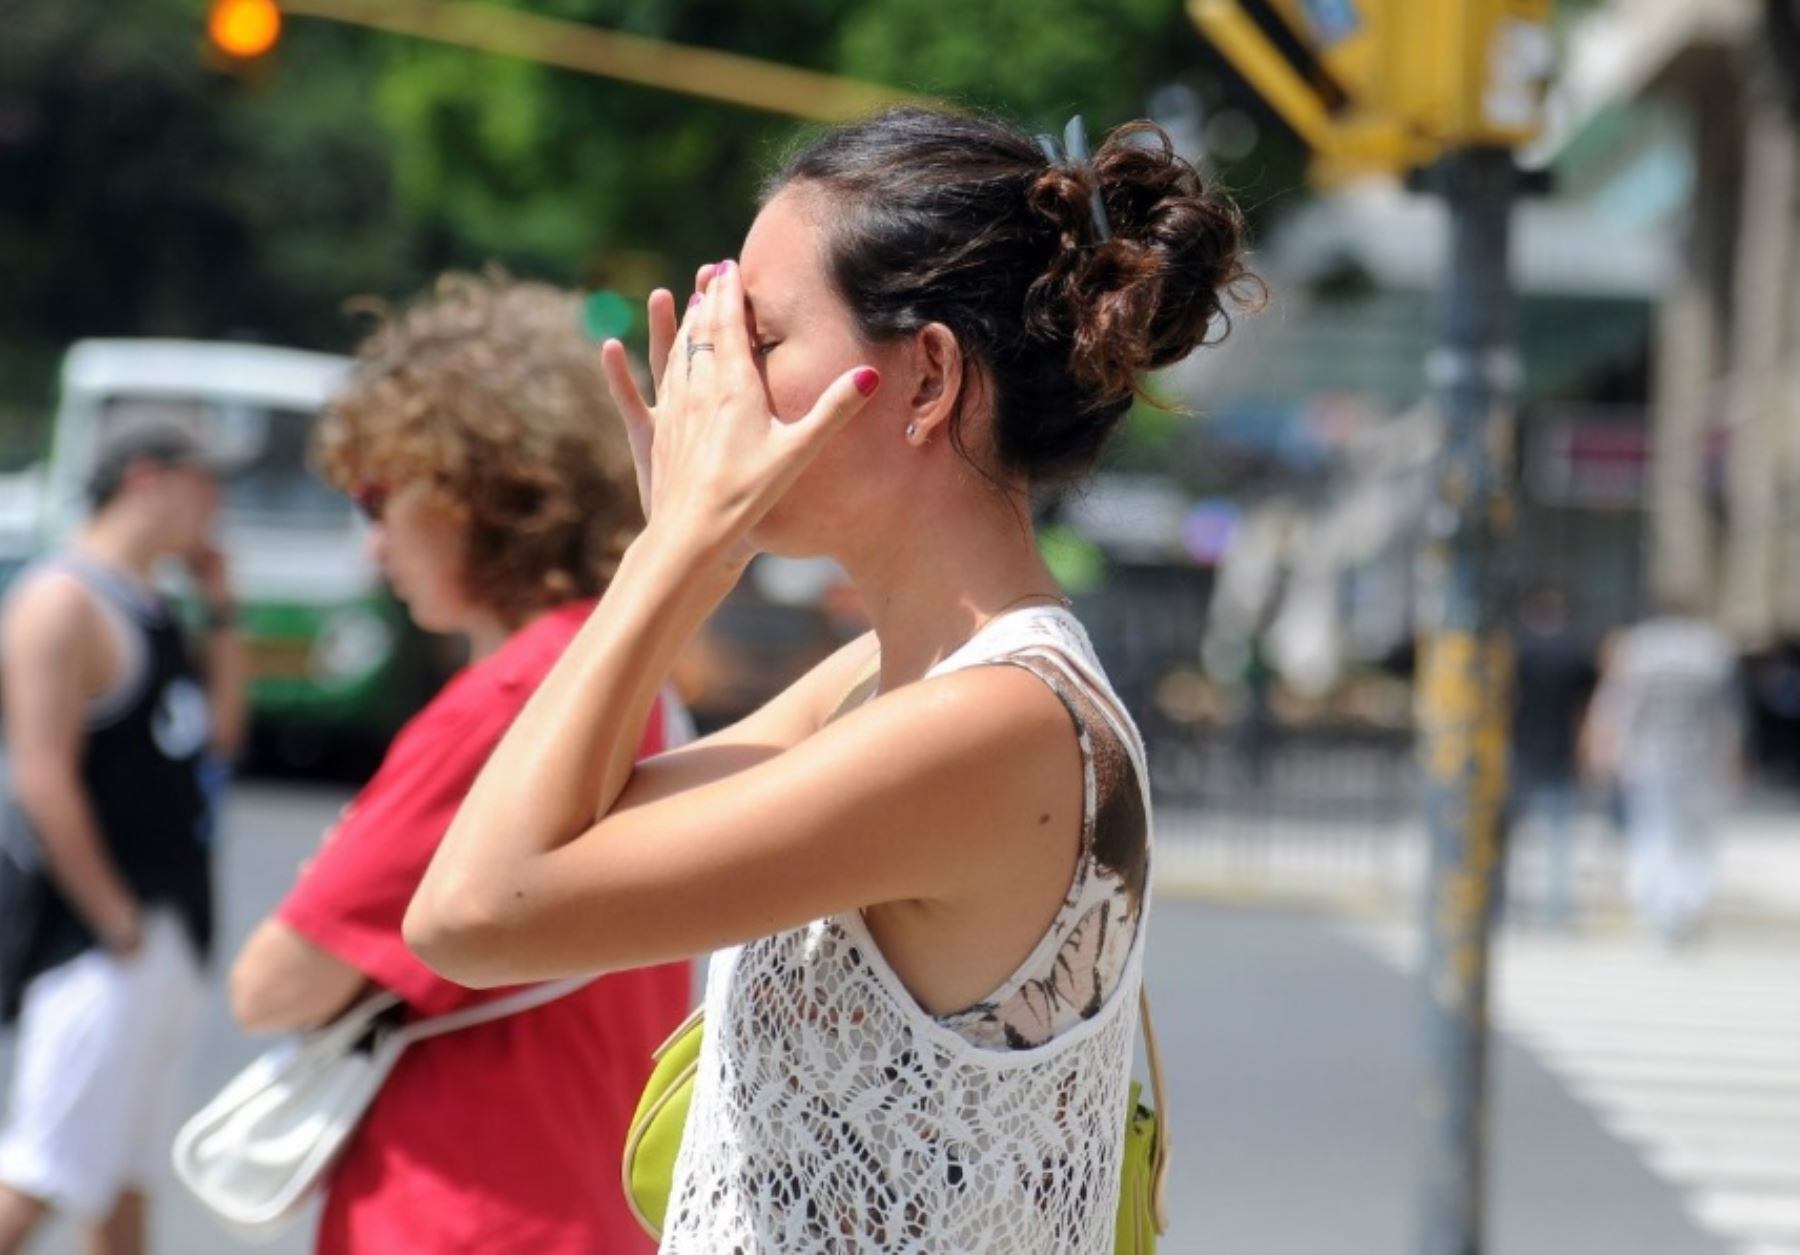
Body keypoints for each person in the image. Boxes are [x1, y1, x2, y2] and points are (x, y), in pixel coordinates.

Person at [405, 110, 1253, 1252]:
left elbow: (474, 911)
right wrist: (687, 552)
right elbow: (565, 828)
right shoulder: (882, 682)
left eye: (757, 342)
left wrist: (678, 551)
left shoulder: (995, 724)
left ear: (928, 379)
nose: (715, 390)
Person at [227, 273, 692, 1254]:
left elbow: (271, 985)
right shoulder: (623, 667)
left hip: (463, 1208)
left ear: (463, 490)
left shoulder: (510, 702)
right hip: (585, 1195)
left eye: (376, 494)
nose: (371, 537)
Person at [0, 422, 245, 1255]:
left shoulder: (150, 600)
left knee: (122, 1179)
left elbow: (217, 736)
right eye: (204, 484)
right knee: (41, 1170)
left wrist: (221, 613)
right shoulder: (62, 600)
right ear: (147, 480)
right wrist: (116, 921)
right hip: (95, 941)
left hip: (164, 923)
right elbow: (41, 775)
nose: (215, 507)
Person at [1583, 597, 1743, 944]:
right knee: (1693, 838)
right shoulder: (1710, 651)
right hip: (1698, 760)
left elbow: (1618, 709)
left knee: (1652, 832)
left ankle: (1656, 908)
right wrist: (1731, 757)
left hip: (1649, 759)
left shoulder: (1639, 650)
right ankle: (1686, 904)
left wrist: (1607, 752)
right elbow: (1727, 715)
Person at [1508, 584, 1595, 927]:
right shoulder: (1573, 652)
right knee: (1559, 837)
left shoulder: (1518, 650)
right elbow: (1585, 706)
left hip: (1521, 747)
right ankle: (1556, 910)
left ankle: (1504, 905)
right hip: (1560, 749)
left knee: (1508, 835)